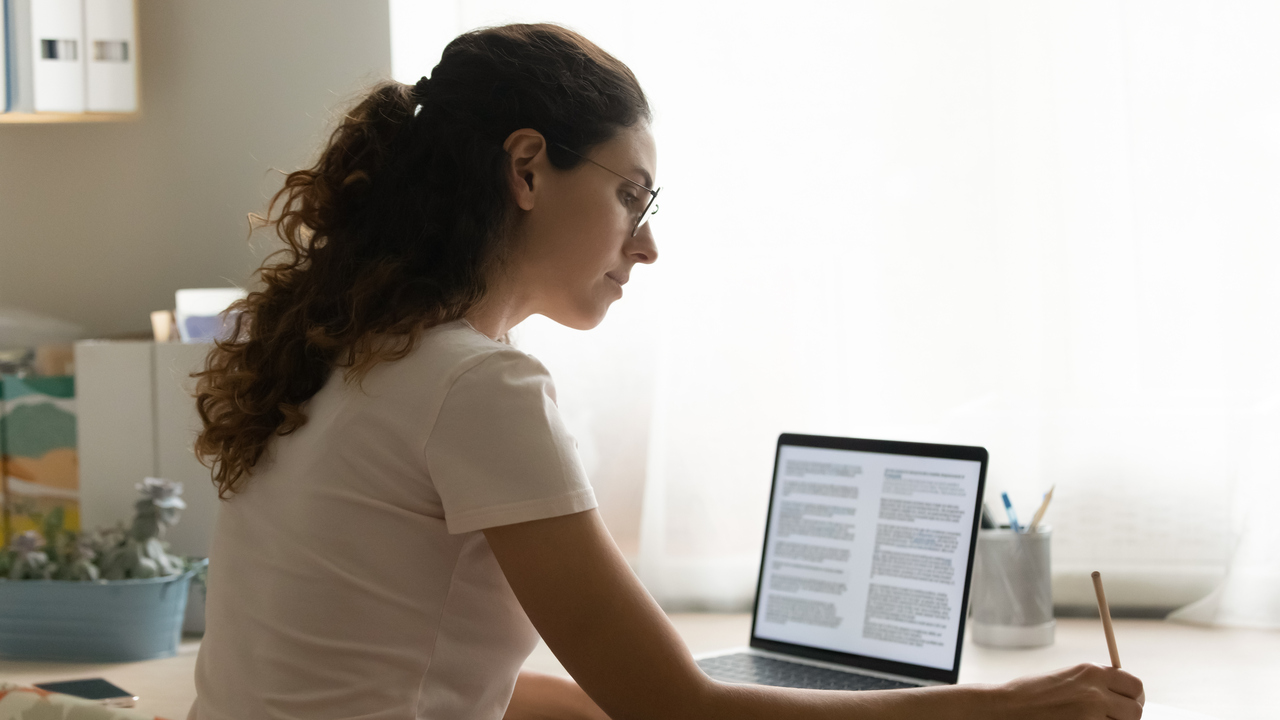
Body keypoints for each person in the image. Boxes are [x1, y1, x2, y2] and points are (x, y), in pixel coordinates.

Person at [187, 23, 1144, 720]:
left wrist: (636, 693)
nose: (645, 246)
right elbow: (681, 712)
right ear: (526, 169)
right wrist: (1003, 710)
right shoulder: (477, 389)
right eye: (631, 195)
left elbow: (419, 677)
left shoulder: (348, 353)